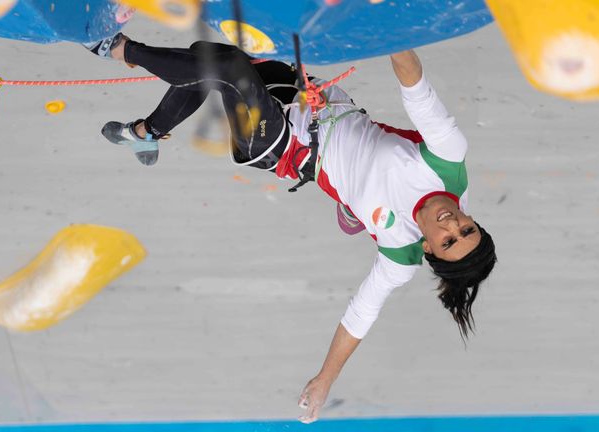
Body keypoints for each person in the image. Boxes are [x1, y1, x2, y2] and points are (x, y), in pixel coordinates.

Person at [87, 34, 497, 423]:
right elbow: (415, 87)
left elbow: (360, 316)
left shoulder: (398, 255)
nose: (454, 226)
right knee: (207, 55)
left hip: (284, 146)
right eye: (468, 229)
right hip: (312, 101)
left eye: (449, 241)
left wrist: (325, 381)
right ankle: (146, 135)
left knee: (227, 68)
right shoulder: (447, 159)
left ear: (428, 248)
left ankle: (116, 47)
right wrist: (392, 32)